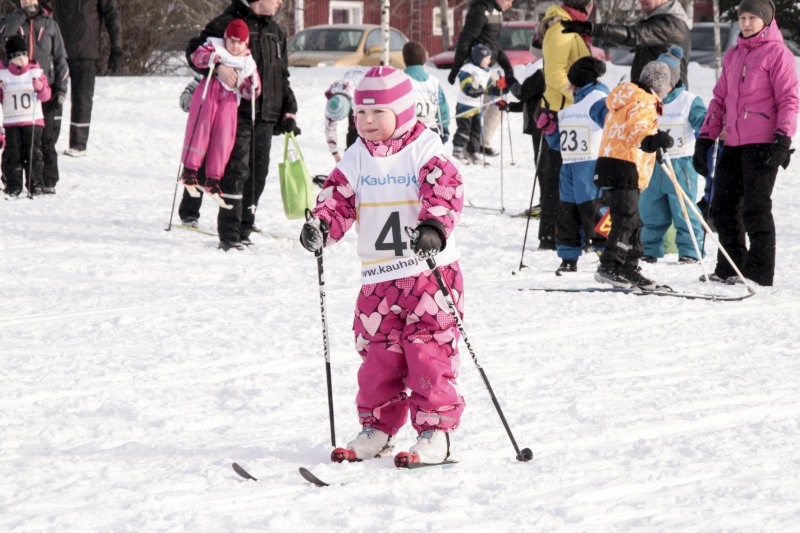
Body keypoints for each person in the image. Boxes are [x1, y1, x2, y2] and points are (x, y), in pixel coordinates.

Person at [300, 66, 466, 466]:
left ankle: (434, 431)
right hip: (378, 279)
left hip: (428, 273)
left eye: (378, 113)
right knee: (378, 355)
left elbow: (445, 187)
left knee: (428, 351)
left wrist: (432, 226)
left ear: (403, 112)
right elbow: (337, 197)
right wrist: (322, 224)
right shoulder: (357, 156)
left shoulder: (425, 147)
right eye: (360, 114)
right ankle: (378, 427)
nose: (367, 122)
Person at [693, 0, 799, 287]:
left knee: (755, 207)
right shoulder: (733, 55)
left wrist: (783, 137)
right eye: (742, 17)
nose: (747, 23)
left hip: (763, 143)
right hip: (733, 143)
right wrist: (705, 138)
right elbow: (718, 101)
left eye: (753, 17)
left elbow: (789, 99)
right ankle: (730, 267)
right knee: (723, 207)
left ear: (766, 20)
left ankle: (759, 272)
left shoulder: (778, 54)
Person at [180, 0, 298, 251]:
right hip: (235, 112)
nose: (280, 2)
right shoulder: (227, 21)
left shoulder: (277, 32)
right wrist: (219, 67)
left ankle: (245, 227)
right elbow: (194, 51)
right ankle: (229, 234)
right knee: (236, 172)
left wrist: (289, 110)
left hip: (266, 114)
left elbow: (282, 74)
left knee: (258, 173)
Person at [593, 59, 674, 289]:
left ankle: (629, 266)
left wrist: (651, 148)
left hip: (610, 162)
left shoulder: (625, 100)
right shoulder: (645, 102)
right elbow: (636, 131)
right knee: (626, 219)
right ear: (661, 85)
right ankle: (609, 265)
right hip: (625, 166)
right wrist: (650, 141)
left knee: (633, 220)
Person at [536, 57, 609, 274]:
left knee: (595, 211)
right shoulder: (572, 105)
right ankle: (568, 258)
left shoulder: (598, 98)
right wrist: (551, 130)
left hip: (590, 166)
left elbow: (611, 124)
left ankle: (608, 254)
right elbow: (561, 143)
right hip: (569, 167)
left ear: (576, 80)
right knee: (567, 213)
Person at [638, 46, 707, 265]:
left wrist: (707, 131)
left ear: (672, 82)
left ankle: (690, 250)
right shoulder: (649, 100)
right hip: (653, 164)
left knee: (683, 209)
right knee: (650, 209)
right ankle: (649, 248)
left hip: (681, 164)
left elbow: (703, 124)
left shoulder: (688, 100)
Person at [180, 19, 260, 207]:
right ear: (225, 39)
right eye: (231, 42)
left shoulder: (248, 62)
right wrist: (213, 62)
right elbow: (197, 56)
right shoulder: (215, 47)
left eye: (239, 43)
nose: (235, 46)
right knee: (201, 128)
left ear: (245, 43)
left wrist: (246, 85)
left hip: (229, 101)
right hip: (208, 93)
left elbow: (254, 90)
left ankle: (214, 178)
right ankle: (190, 169)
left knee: (224, 137)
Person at [537, 0, 593, 250]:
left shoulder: (573, 27)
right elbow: (556, 75)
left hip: (571, 111)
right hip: (563, 112)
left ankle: (566, 232)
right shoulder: (561, 28)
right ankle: (551, 234)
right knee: (559, 177)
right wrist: (583, 96)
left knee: (569, 176)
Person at [0, 0, 69, 194]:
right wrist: (21, 15)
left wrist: (62, 88)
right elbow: (4, 36)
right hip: (15, 89)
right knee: (14, 142)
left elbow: (61, 58)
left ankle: (47, 181)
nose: (28, 2)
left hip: (43, 87)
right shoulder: (11, 20)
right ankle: (12, 181)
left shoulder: (50, 25)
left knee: (45, 139)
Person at [561, 0, 692, 88]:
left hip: (667, 104)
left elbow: (634, 35)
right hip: (656, 100)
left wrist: (593, 29)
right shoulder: (662, 20)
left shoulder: (670, 24)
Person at [51, 0, 123, 157]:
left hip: (86, 52)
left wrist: (116, 48)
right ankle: (48, 141)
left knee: (82, 99)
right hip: (57, 50)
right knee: (53, 97)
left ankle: (78, 144)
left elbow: (112, 15)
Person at [448, 0, 514, 156]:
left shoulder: (496, 12)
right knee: (478, 105)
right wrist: (457, 67)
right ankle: (468, 147)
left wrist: (507, 66)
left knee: (497, 99)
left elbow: (493, 42)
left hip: (486, 67)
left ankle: (480, 143)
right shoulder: (480, 9)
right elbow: (465, 38)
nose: (510, 4)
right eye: (508, 0)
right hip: (474, 67)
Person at [0, 35, 52, 197]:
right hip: (12, 122)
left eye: (23, 55)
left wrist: (41, 87)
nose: (21, 60)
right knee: (12, 154)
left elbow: (46, 96)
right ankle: (13, 185)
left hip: (33, 121)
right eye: (16, 57)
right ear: (10, 58)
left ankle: (35, 183)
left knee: (33, 153)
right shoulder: (3, 75)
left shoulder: (35, 72)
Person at [452, 44, 500, 165]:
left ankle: (474, 152)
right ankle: (457, 151)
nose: (489, 61)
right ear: (479, 58)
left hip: (477, 107)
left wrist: (496, 90)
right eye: (487, 59)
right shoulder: (468, 69)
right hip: (465, 105)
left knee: (476, 130)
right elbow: (465, 82)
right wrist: (470, 89)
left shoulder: (486, 72)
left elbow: (488, 87)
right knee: (464, 129)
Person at [402, 41, 450, 145]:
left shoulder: (402, 80)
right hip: (431, 131)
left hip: (409, 132)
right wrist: (444, 128)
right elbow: (442, 107)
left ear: (405, 60)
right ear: (425, 61)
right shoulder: (434, 82)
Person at [323, 66, 368, 163]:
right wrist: (335, 153)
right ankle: (351, 155)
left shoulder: (360, 98)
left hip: (367, 80)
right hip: (350, 80)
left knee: (359, 127)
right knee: (353, 129)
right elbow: (329, 128)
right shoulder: (332, 103)